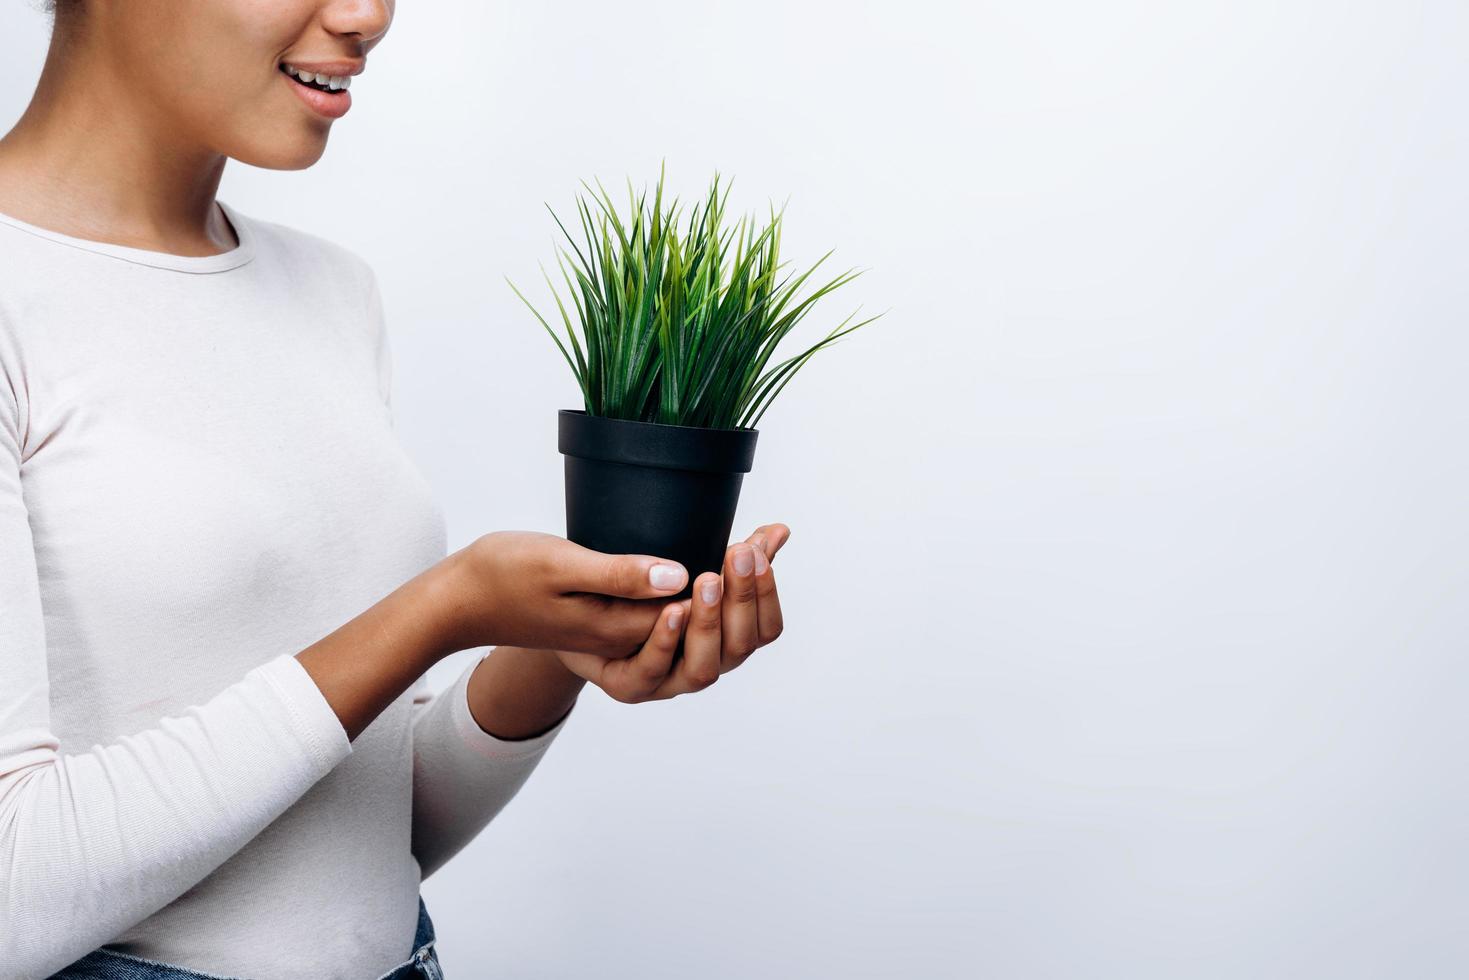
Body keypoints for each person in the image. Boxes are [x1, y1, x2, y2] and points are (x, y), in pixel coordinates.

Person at [0, 1, 790, 977]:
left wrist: (555, 645)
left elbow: (363, 831)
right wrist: (440, 606)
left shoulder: (331, 292)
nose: (368, 14)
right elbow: (12, 899)